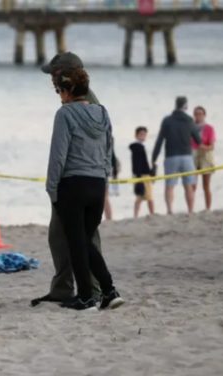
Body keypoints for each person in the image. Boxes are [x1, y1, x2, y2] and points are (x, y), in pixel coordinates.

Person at [46, 66, 124, 311]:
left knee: (77, 242)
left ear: (69, 90)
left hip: (73, 185)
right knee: (83, 241)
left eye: (59, 90)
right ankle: (104, 292)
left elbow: (58, 156)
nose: (59, 95)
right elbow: (108, 151)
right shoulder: (102, 113)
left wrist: (52, 189)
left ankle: (92, 295)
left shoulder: (65, 114)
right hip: (97, 185)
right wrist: (104, 180)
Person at [32, 52, 103, 307]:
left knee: (85, 236)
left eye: (53, 74)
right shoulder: (72, 100)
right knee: (59, 235)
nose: (50, 79)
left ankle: (92, 289)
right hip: (79, 180)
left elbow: (64, 150)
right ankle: (63, 287)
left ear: (66, 75)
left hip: (76, 182)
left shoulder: (80, 104)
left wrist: (53, 186)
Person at [151, 96, 202, 215]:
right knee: (189, 185)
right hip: (187, 157)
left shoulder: (167, 120)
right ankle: (190, 210)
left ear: (175, 105)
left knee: (170, 185)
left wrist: (153, 159)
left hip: (171, 157)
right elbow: (198, 140)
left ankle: (169, 210)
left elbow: (159, 140)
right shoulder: (189, 120)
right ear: (186, 106)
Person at [191, 106, 216, 211]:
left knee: (206, 185)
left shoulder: (209, 128)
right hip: (193, 155)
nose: (198, 116)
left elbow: (212, 145)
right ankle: (191, 208)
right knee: (192, 185)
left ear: (204, 115)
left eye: (200, 113)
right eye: (196, 114)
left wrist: (204, 147)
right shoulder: (190, 128)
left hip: (205, 155)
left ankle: (207, 208)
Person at [130, 126, 155, 217]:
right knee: (148, 196)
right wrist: (140, 175)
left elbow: (144, 162)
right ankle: (151, 214)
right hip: (142, 175)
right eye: (141, 134)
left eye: (144, 134)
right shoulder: (138, 147)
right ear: (136, 135)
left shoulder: (141, 147)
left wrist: (151, 171)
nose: (143, 136)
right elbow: (138, 163)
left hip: (142, 174)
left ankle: (136, 215)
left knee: (141, 196)